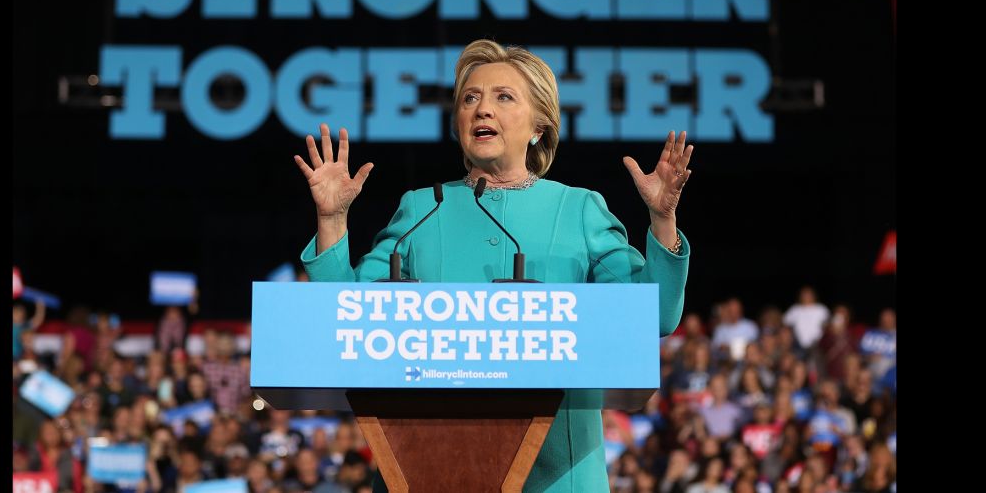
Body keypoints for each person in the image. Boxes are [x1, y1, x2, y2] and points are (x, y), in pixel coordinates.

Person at [292, 38, 694, 492]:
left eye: (504, 97)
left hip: (558, 476)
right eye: (470, 98)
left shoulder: (577, 209)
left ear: (539, 127)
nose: (482, 109)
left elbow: (654, 315)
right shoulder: (422, 210)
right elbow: (341, 318)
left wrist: (662, 220)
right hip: (425, 470)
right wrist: (331, 220)